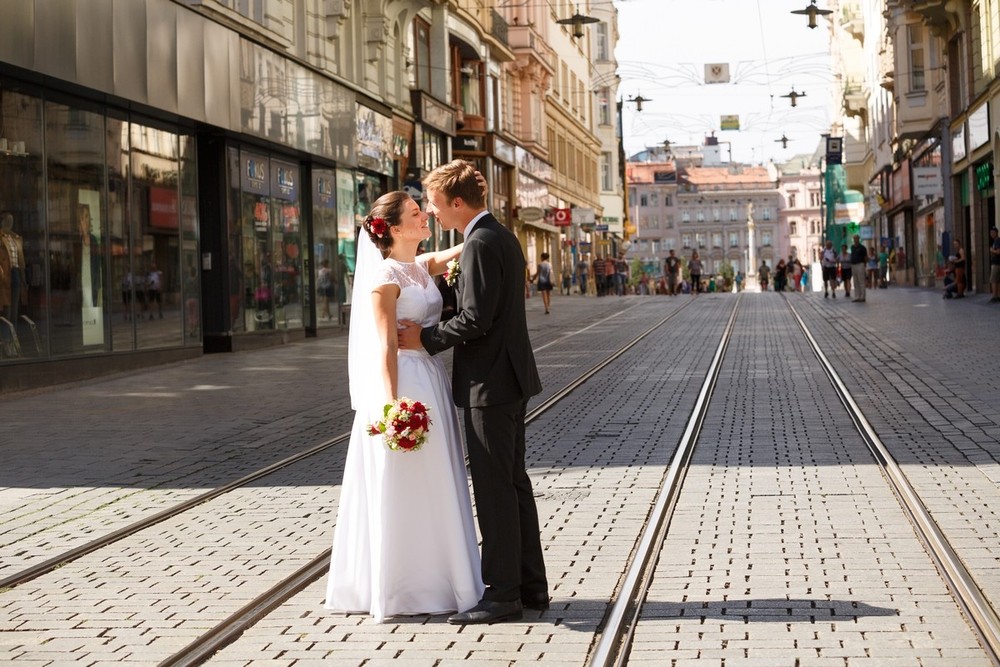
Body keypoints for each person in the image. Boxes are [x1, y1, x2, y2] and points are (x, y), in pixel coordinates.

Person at [399, 159, 547, 625]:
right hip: (508, 378)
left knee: (495, 489)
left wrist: (424, 340)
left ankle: (503, 594)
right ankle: (530, 586)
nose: (434, 214)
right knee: (513, 483)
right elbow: (481, 306)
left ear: (457, 202)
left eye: (437, 205)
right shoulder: (497, 236)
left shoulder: (480, 242)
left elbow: (476, 319)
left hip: (492, 383)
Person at [325, 190, 483, 623]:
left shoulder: (419, 265)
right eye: (417, 213)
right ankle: (404, 587)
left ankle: (442, 574)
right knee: (407, 479)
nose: (425, 215)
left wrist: (479, 222)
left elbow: (464, 244)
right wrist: (393, 408)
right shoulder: (385, 277)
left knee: (438, 478)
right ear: (395, 228)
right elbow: (384, 349)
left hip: (431, 378)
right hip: (405, 384)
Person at [0, 212, 27, 333]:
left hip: (15, 273)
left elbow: (21, 261)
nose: (10, 223)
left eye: (12, 220)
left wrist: (23, 278)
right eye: (7, 220)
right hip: (5, 273)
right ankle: (6, 341)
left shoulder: (15, 238)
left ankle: (13, 342)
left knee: (15, 310)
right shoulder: (1, 237)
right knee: (7, 309)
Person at [850, 235, 868, 302]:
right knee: (855, 281)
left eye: (856, 238)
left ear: (858, 239)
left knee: (861, 281)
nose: (855, 240)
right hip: (853, 265)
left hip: (860, 264)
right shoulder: (852, 247)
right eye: (854, 238)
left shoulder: (862, 247)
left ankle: (862, 296)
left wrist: (864, 265)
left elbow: (865, 257)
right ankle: (857, 296)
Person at [989, 227, 1000, 303]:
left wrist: (991, 250)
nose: (992, 234)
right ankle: (998, 296)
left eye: (993, 232)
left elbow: (998, 252)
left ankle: (994, 296)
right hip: (995, 263)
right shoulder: (995, 241)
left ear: (996, 233)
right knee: (997, 280)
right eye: (991, 233)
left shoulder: (998, 240)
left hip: (996, 263)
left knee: (993, 280)